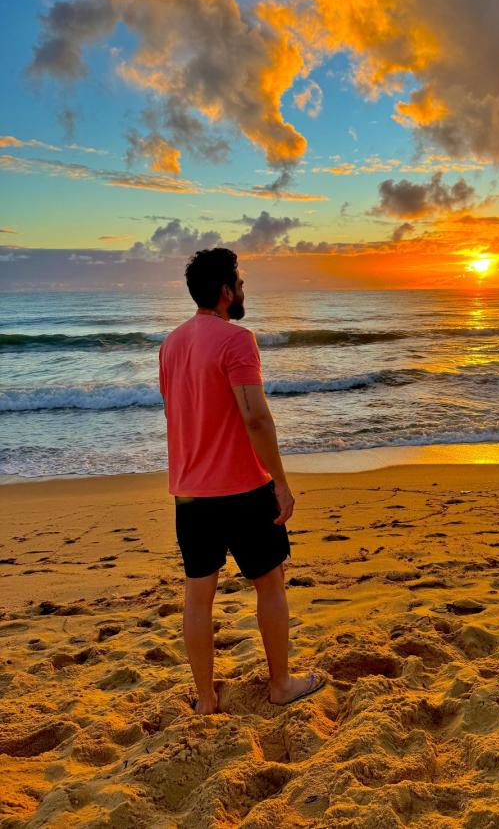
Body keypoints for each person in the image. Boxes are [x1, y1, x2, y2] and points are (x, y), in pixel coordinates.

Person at [159, 247, 326, 714]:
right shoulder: (237, 340)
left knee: (198, 597)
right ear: (226, 292)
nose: (243, 289)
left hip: (190, 492)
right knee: (270, 584)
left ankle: (206, 699)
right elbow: (255, 416)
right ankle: (281, 685)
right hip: (243, 488)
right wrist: (280, 482)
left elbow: (176, 414)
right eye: (240, 283)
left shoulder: (171, 344)